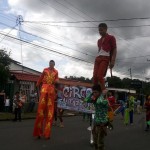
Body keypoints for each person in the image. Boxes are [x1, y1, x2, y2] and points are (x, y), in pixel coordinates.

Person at [33, 60, 59, 139]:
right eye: (50, 63)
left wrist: (57, 82)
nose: (51, 64)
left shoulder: (56, 72)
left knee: (50, 113)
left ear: (54, 64)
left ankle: (47, 134)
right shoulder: (45, 70)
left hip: (51, 91)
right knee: (40, 112)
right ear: (49, 64)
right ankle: (38, 133)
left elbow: (57, 80)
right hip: (44, 90)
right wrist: (37, 85)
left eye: (52, 63)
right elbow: (40, 78)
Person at [93, 23, 117, 94]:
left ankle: (103, 91)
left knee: (100, 76)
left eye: (101, 30)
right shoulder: (99, 41)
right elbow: (99, 50)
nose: (100, 32)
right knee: (94, 77)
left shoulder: (111, 38)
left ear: (106, 29)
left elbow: (114, 49)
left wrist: (112, 61)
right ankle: (95, 92)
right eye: (99, 30)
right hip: (98, 58)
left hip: (105, 58)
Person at [84, 84, 109, 150]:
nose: (94, 94)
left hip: (102, 124)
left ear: (100, 92)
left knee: (100, 143)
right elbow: (86, 100)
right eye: (93, 92)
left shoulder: (104, 100)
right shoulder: (96, 98)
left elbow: (99, 102)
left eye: (96, 92)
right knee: (95, 142)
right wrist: (92, 93)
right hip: (96, 123)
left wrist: (101, 94)